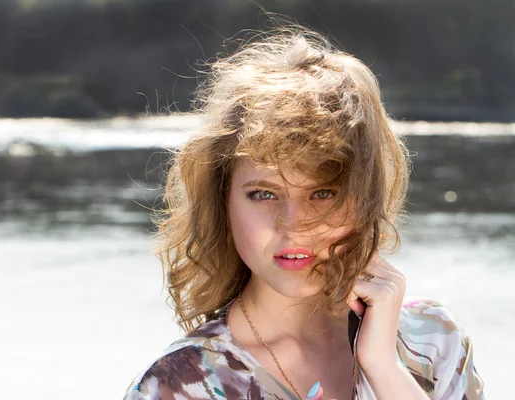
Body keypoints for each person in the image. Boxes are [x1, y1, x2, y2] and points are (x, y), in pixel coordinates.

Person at [123, 24, 485, 400]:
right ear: (223, 201)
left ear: (366, 198)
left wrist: (383, 368)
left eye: (323, 192)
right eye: (263, 194)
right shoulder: (178, 386)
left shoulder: (432, 342)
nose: (292, 224)